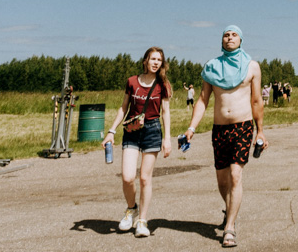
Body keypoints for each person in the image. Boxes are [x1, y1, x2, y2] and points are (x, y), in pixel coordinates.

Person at [186, 26, 266, 248]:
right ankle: (230, 209)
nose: (229, 38)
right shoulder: (211, 67)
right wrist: (191, 128)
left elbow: (257, 100)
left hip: (243, 126)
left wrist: (260, 131)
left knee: (235, 175)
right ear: (221, 40)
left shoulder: (252, 67)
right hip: (219, 129)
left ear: (241, 40)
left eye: (234, 35)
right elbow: (202, 100)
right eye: (226, 34)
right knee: (222, 181)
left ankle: (230, 227)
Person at [104, 47, 172, 238]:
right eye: (153, 59)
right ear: (145, 61)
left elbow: (165, 112)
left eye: (159, 60)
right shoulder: (132, 82)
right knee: (127, 177)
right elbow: (123, 108)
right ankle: (131, 209)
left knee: (144, 178)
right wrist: (111, 131)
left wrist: (167, 138)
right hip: (131, 131)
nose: (156, 63)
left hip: (152, 130)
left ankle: (142, 220)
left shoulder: (162, 84)